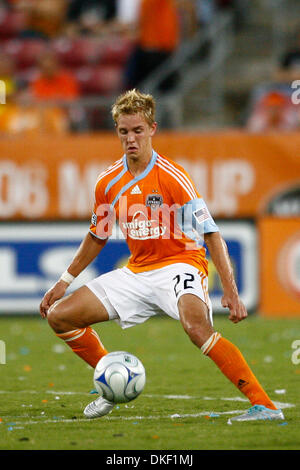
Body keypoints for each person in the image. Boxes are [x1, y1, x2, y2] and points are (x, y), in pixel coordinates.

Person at [40, 89, 284, 423]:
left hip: (180, 265)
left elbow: (212, 234)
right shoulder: (108, 182)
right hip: (137, 272)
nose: (131, 139)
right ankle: (112, 381)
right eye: (124, 132)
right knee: (60, 316)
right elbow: (98, 235)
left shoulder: (173, 177)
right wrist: (63, 282)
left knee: (197, 328)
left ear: (152, 129)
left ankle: (264, 405)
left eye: (138, 131)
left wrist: (231, 291)